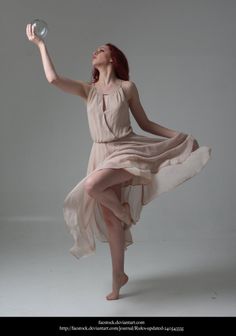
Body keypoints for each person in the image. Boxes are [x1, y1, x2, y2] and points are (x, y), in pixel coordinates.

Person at [26, 23, 212, 300]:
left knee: (93, 187)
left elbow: (145, 123)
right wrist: (41, 46)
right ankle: (119, 278)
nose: (94, 52)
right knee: (111, 221)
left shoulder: (127, 88)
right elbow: (53, 79)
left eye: (100, 50)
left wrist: (179, 136)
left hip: (125, 149)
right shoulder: (87, 90)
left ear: (112, 58)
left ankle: (125, 213)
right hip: (99, 153)